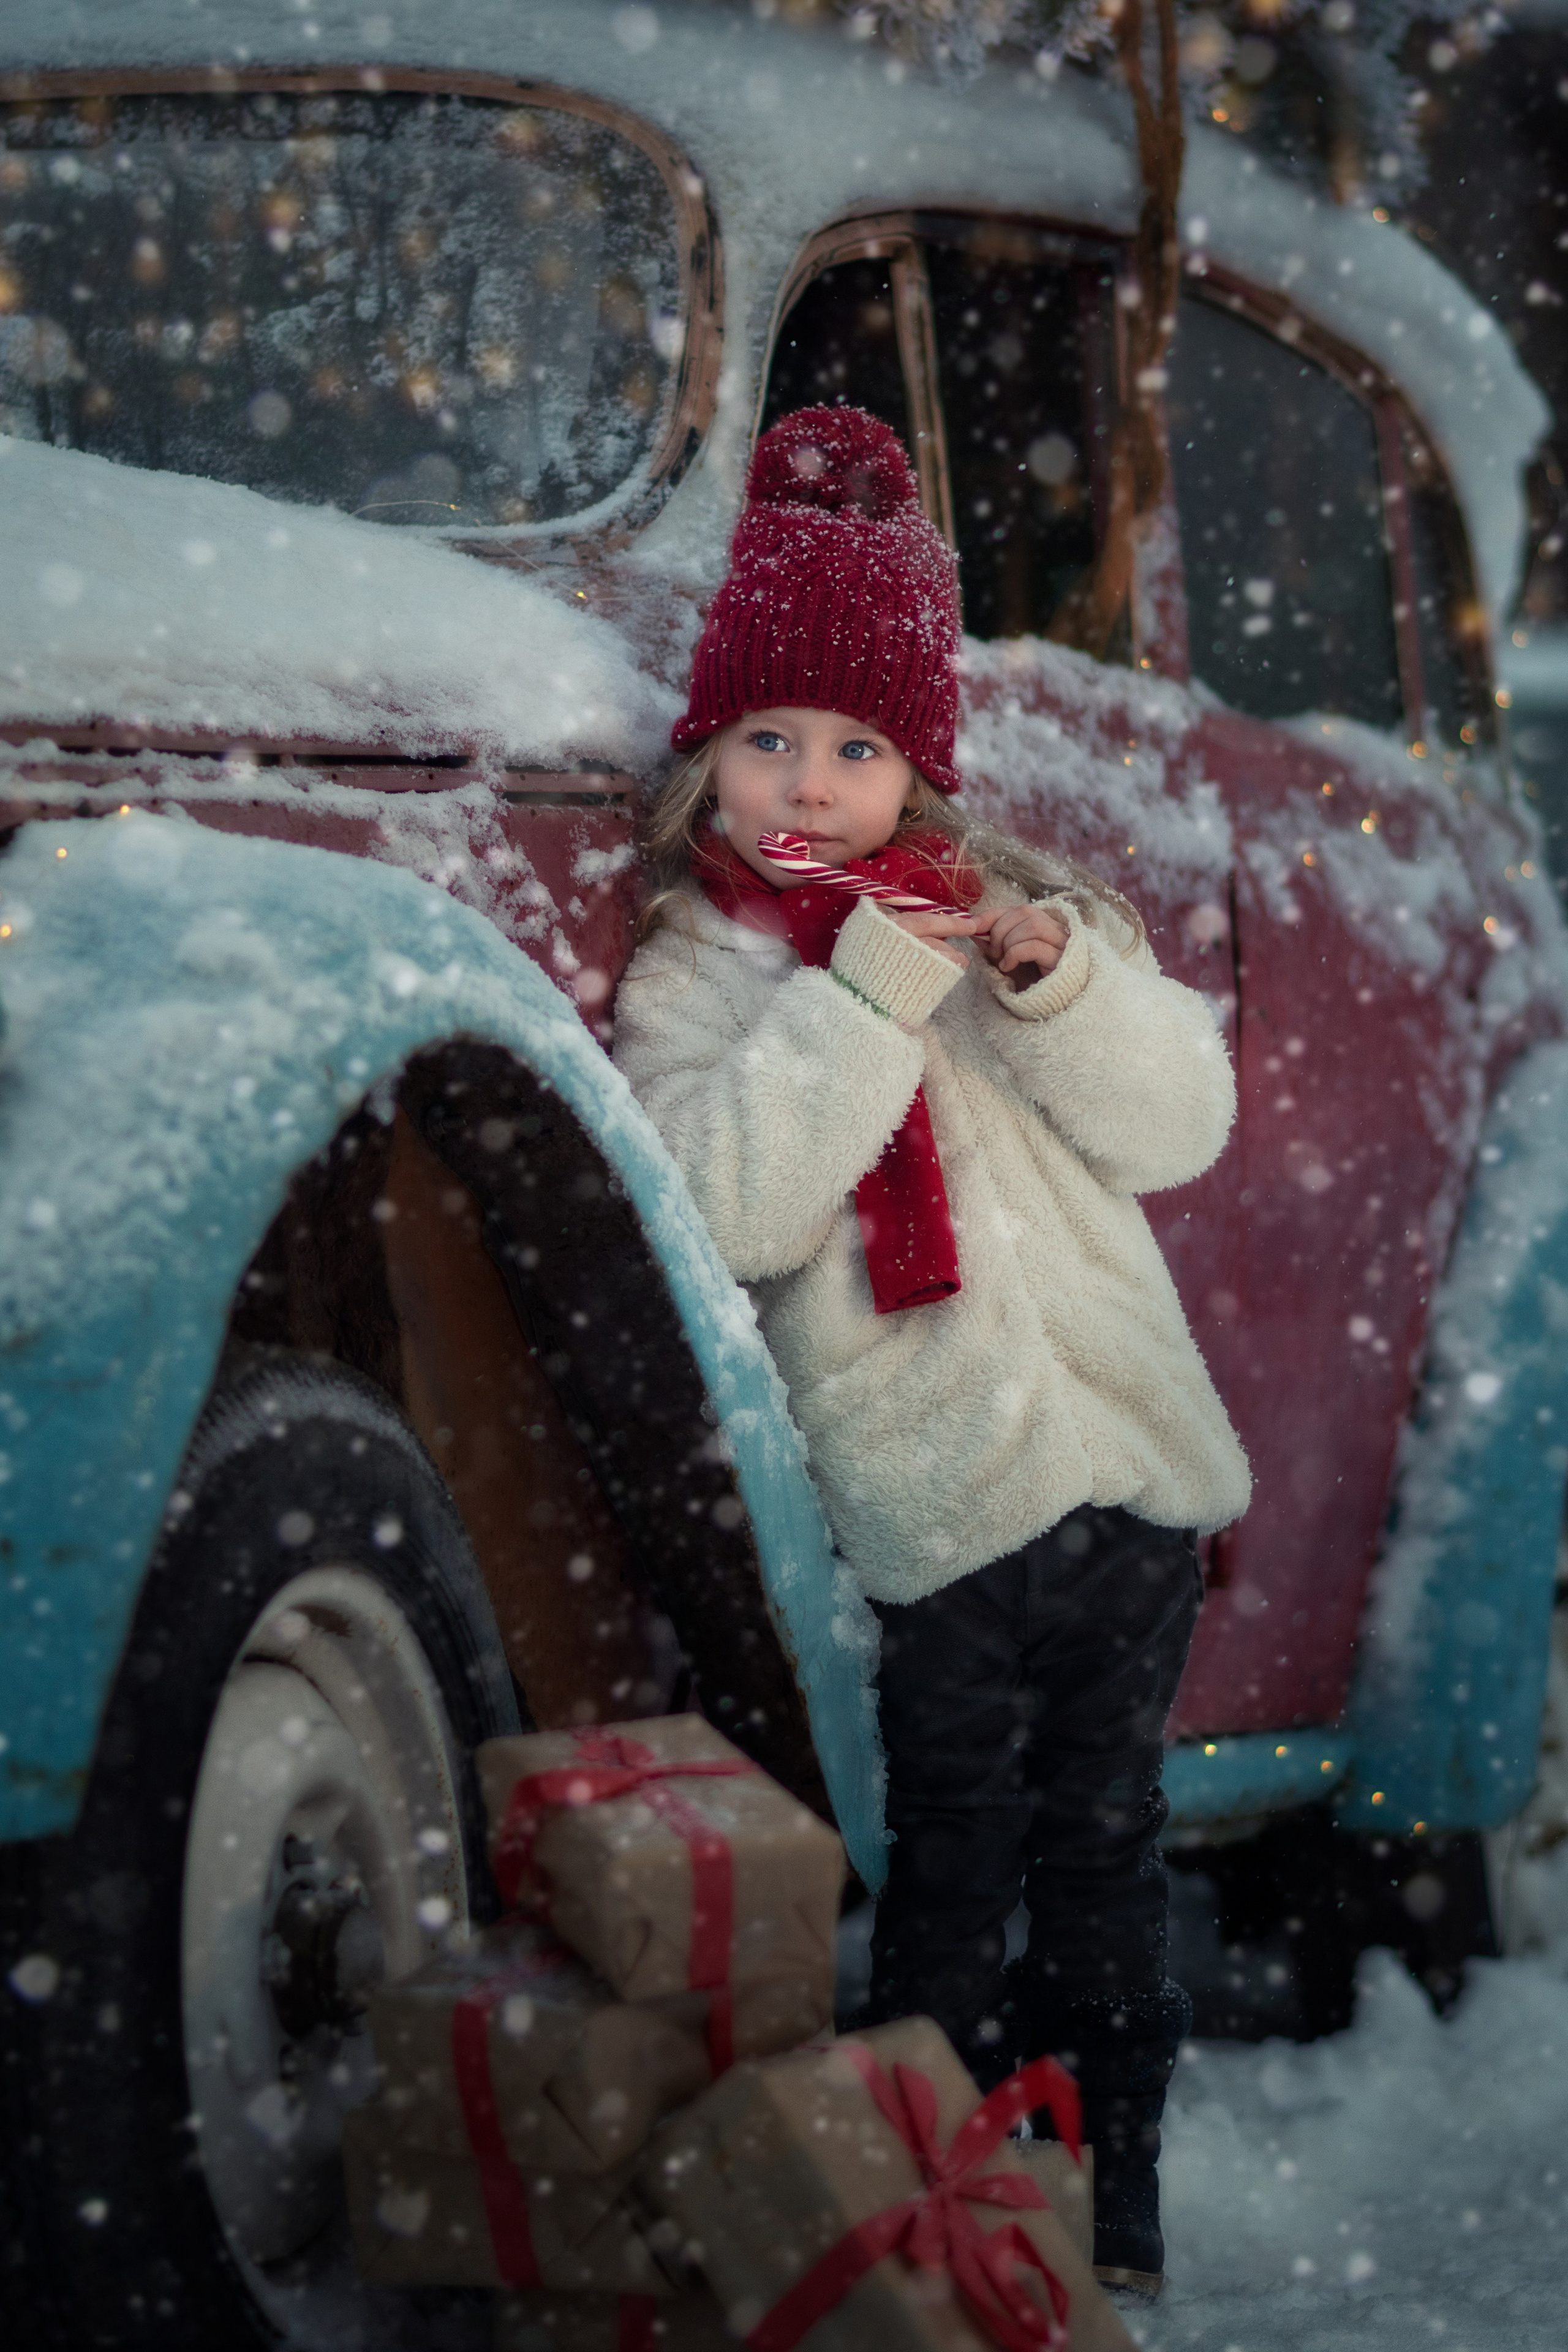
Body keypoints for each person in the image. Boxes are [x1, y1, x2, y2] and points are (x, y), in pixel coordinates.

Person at [611, 404, 1251, 2297]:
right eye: (769, 740)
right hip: (943, 1506)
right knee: (958, 1862)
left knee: (1109, 1858)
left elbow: (1177, 1124)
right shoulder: (697, 973)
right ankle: (937, 2187)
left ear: (922, 770)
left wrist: (1044, 977)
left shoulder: (996, 925)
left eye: (858, 749)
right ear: (709, 752)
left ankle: (1106, 2182)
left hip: (1124, 1477)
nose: (808, 786)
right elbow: (729, 1207)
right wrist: (863, 995)